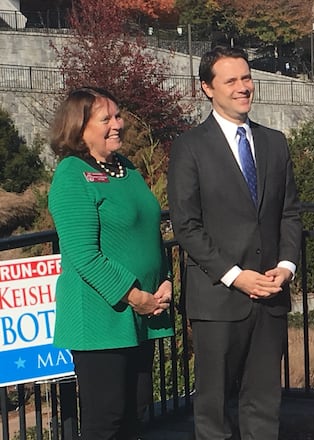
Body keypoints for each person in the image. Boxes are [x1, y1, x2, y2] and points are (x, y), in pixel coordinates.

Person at [167, 46, 302, 439]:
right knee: (214, 410)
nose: (243, 87)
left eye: (246, 77)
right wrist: (235, 276)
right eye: (232, 80)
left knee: (263, 406)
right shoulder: (189, 146)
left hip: (271, 295)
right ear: (208, 89)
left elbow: (289, 212)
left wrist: (287, 266)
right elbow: (187, 225)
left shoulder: (274, 142)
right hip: (219, 299)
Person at [48, 87, 173, 440]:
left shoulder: (126, 168)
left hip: (141, 314)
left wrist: (163, 280)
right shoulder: (72, 175)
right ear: (80, 127)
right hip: (99, 318)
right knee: (107, 420)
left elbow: (148, 231)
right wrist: (135, 296)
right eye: (106, 119)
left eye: (118, 116)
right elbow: (84, 254)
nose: (117, 124)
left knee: (137, 409)